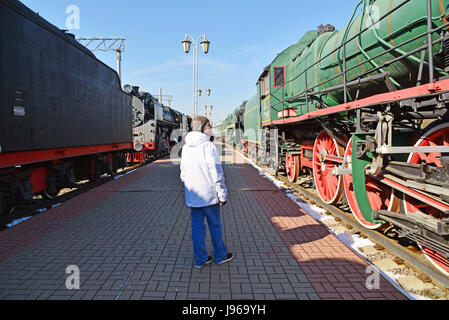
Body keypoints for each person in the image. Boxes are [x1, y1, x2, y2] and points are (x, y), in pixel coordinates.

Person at [180, 116, 234, 269]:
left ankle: (200, 259)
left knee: (197, 228)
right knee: (215, 226)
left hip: (193, 196)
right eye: (209, 125)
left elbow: (183, 173)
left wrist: (190, 188)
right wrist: (222, 194)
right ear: (203, 127)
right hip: (209, 196)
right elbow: (216, 173)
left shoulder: (185, 147)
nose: (211, 128)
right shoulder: (208, 147)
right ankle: (220, 255)